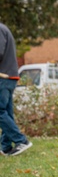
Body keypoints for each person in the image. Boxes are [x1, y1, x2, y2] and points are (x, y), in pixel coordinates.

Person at [0, 23, 32, 156]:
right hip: (9, 77)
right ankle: (6, 146)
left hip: (3, 76)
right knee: (6, 112)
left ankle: (21, 140)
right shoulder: (3, 29)